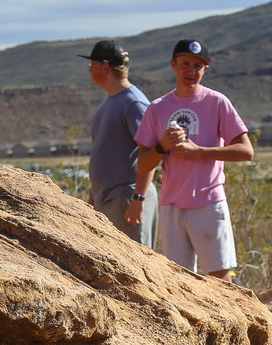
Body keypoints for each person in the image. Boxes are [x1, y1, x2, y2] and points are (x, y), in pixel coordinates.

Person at [129, 39, 254, 280]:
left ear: (206, 69)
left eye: (198, 66)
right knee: (178, 278)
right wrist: (162, 146)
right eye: (185, 64)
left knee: (219, 276)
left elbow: (246, 151)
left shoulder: (217, 102)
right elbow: (143, 164)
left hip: (209, 201)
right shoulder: (157, 108)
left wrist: (200, 152)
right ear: (173, 65)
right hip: (171, 204)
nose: (191, 71)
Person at [81, 40, 156, 247]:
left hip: (127, 197)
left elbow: (150, 152)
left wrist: (139, 198)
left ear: (105, 67)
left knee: (136, 261)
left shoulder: (133, 102)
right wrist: (93, 198)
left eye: (92, 65)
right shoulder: (110, 101)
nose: (90, 70)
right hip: (107, 198)